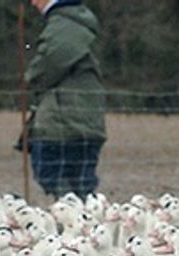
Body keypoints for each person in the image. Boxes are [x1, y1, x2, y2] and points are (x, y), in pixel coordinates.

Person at [24, 0, 107, 200]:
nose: (33, 2)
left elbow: (51, 62)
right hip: (79, 120)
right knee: (78, 182)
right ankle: (81, 218)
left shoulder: (65, 26)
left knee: (52, 172)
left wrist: (29, 78)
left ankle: (74, 218)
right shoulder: (72, 23)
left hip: (65, 123)